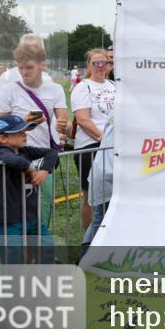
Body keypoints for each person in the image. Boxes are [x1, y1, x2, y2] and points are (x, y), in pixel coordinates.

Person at [0, 41, 68, 229]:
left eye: (29, 67)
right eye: (20, 68)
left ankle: (36, 255)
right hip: (13, 159)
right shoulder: (8, 90)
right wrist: (21, 121)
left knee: (41, 209)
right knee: (10, 213)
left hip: (41, 157)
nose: (24, 72)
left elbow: (65, 124)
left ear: (43, 64)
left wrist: (64, 126)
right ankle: (0, 256)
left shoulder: (55, 90)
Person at [0, 114, 59, 262]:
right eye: (20, 133)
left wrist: (44, 170)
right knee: (12, 257)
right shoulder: (1, 152)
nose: (25, 135)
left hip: (32, 215)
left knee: (47, 246)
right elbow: (12, 161)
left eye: (25, 131)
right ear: (3, 138)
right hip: (11, 217)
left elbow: (52, 152)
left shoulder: (24, 151)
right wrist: (30, 167)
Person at [70, 49, 116, 232]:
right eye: (95, 62)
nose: (100, 66)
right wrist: (105, 139)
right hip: (91, 147)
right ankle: (89, 242)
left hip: (113, 147)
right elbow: (83, 120)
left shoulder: (114, 85)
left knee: (112, 196)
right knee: (91, 198)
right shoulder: (83, 86)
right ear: (88, 65)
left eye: (103, 62)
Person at [82, 123, 114, 250]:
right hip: (107, 173)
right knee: (100, 218)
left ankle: (86, 253)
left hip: (106, 172)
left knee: (99, 218)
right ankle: (87, 254)